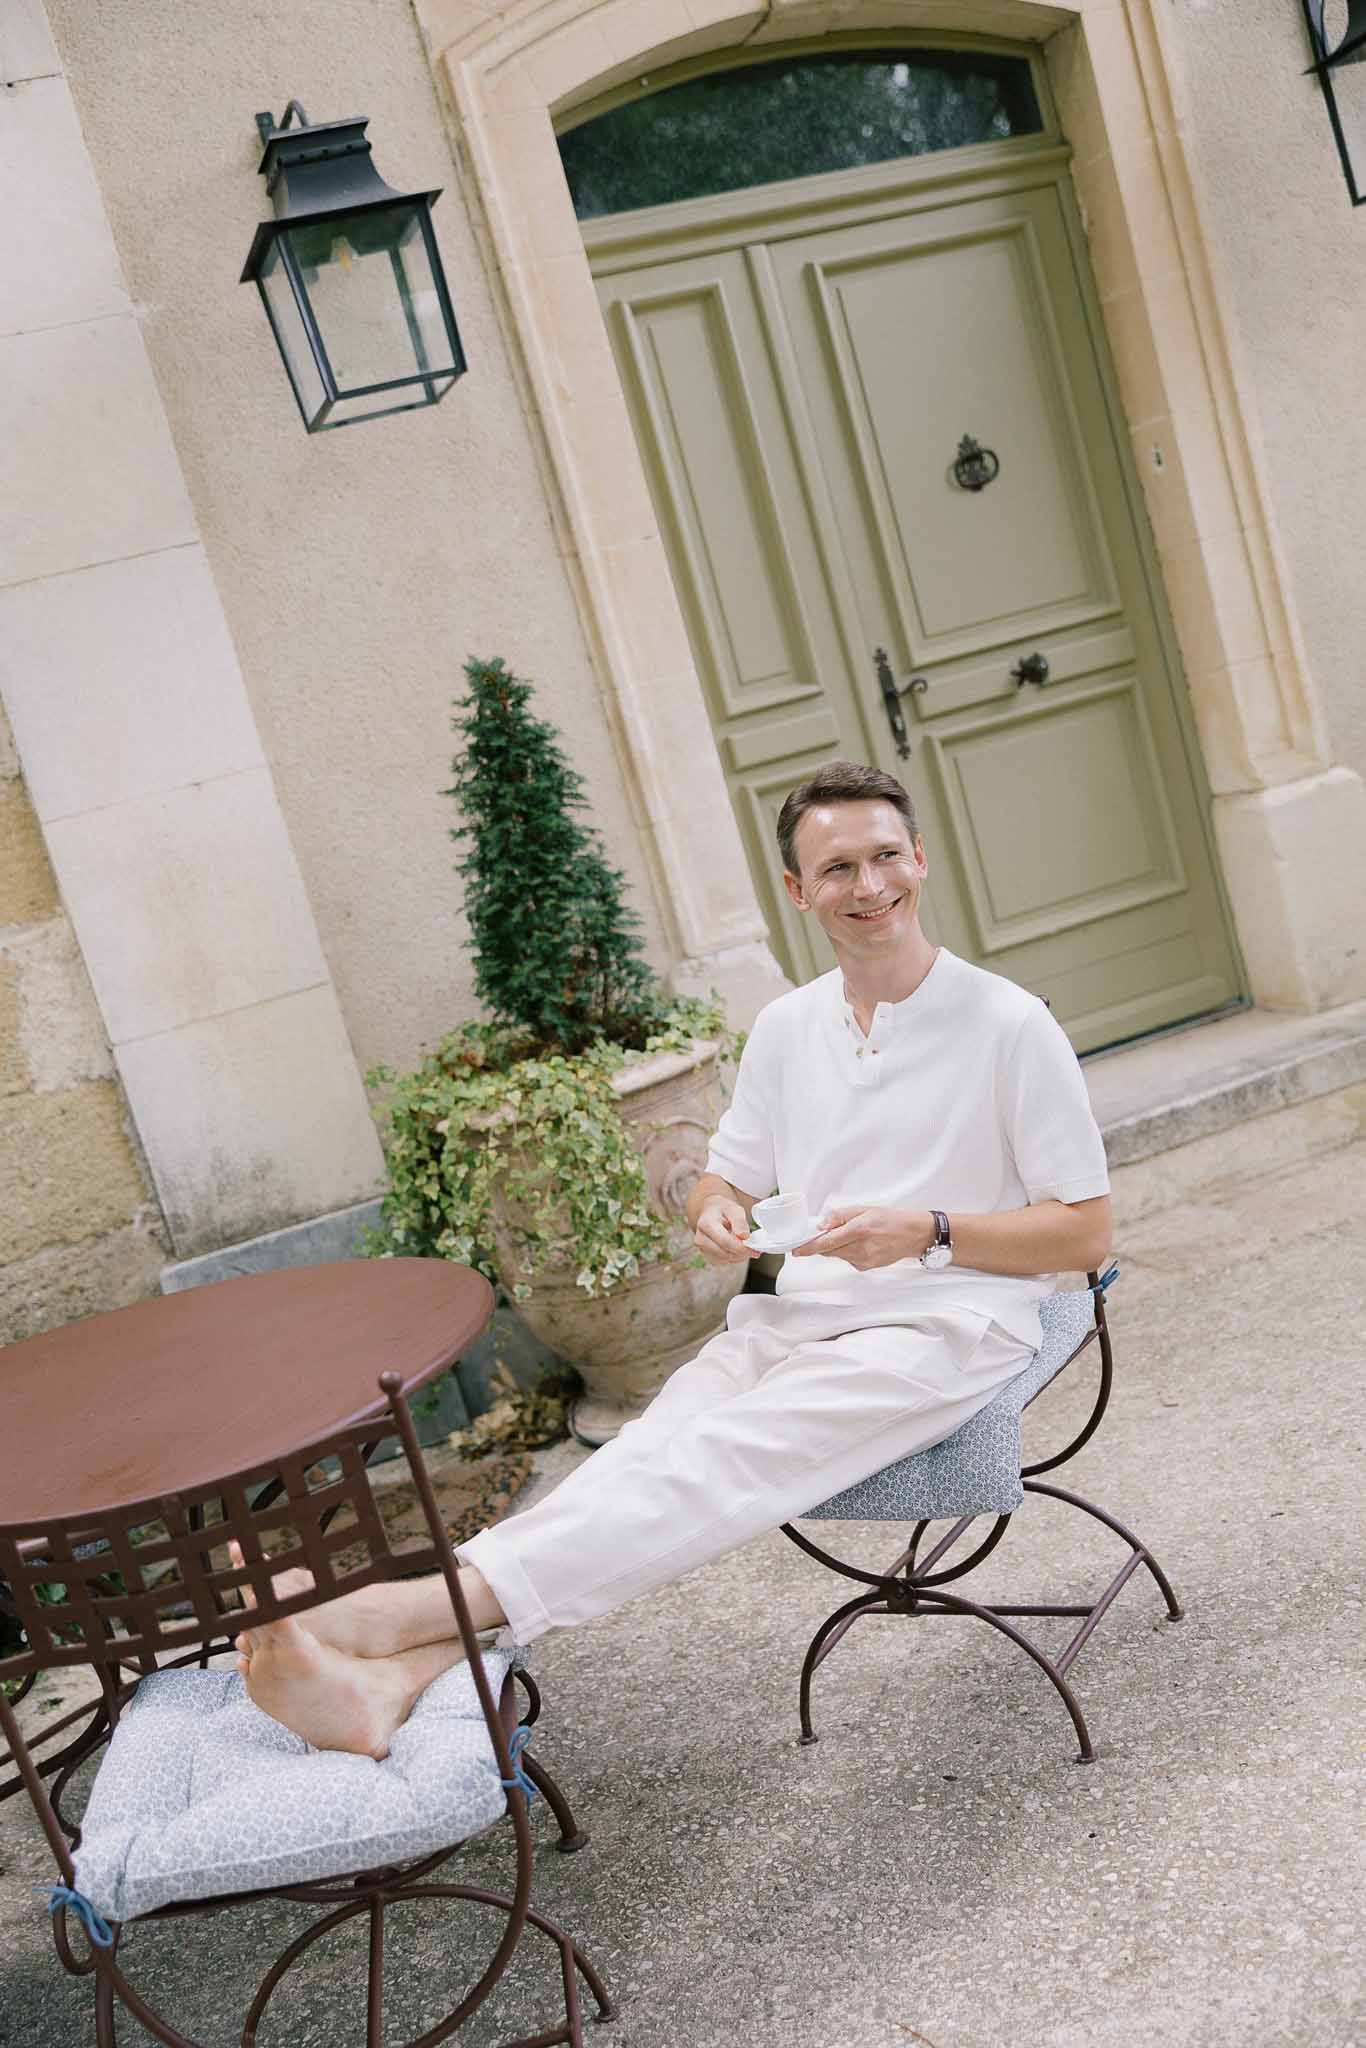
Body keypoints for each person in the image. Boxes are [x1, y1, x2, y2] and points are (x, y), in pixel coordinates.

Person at [235, 760, 1112, 1757]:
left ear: (918, 858)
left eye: (882, 856)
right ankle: (400, 1674)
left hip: (948, 1326)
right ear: (796, 889)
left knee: (708, 1461)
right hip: (799, 1317)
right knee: (644, 1454)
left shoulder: (1007, 1023)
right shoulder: (787, 1027)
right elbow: (722, 1177)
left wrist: (931, 1228)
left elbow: (1085, 1230)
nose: (866, 885)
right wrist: (715, 1213)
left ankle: (385, 1617)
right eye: (836, 867)